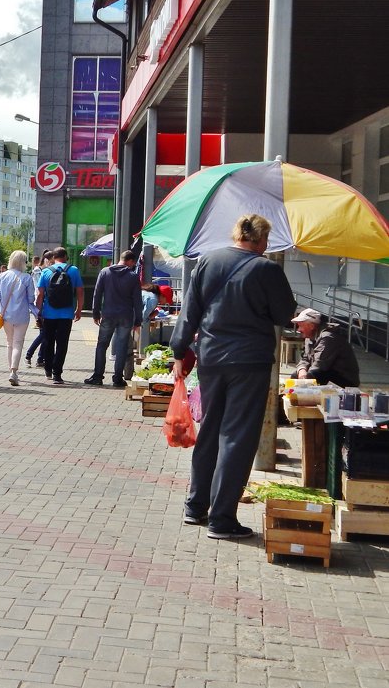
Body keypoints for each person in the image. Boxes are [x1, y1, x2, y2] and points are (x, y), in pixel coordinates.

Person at [170, 214, 295, 540]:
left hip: (211, 359)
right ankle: (222, 519)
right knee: (237, 437)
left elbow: (190, 312)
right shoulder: (266, 269)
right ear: (261, 239)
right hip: (249, 362)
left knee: (211, 429)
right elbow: (285, 314)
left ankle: (195, 506)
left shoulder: (209, 260)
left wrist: (178, 352)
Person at [84, 250, 143, 388]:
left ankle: (98, 376)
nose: (133, 265)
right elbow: (137, 301)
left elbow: (97, 293)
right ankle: (117, 379)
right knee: (122, 347)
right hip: (126, 316)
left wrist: (95, 313)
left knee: (101, 345)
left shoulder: (105, 272)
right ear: (129, 261)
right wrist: (138, 320)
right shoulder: (133, 277)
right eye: (133, 263)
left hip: (108, 314)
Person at [36, 247, 84, 385]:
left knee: (48, 342)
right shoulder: (73, 270)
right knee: (62, 344)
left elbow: (40, 294)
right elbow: (80, 292)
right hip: (66, 314)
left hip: (49, 314)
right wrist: (78, 309)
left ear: (53, 257)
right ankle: (57, 374)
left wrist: (38, 312)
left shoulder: (45, 271)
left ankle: (48, 370)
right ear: (66, 257)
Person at [0, 250, 38, 386]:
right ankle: (14, 372)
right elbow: (31, 298)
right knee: (18, 343)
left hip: (6, 314)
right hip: (22, 315)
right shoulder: (26, 278)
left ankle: (11, 371)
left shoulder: (2, 276)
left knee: (9, 343)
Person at [291, 308, 359, 388]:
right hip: (326, 374)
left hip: (345, 380)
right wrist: (302, 370)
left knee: (312, 376)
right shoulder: (309, 338)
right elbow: (305, 358)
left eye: (301, 326)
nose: (298, 330)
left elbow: (320, 365)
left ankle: (304, 398)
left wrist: (305, 378)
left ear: (312, 326)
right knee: (296, 375)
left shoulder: (328, 337)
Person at [25, 249, 55, 366]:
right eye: (51, 262)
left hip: (45, 305)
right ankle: (29, 354)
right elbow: (39, 290)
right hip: (40, 305)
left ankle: (40, 359)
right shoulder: (38, 271)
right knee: (44, 333)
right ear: (46, 260)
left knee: (45, 333)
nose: (52, 265)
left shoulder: (45, 270)